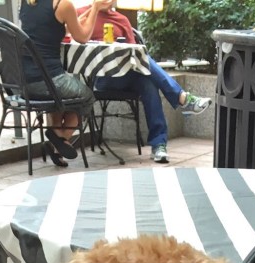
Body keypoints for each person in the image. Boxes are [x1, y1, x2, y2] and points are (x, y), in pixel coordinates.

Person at [76, 4, 212, 164]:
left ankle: (159, 145)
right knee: (147, 72)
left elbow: (137, 55)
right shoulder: (82, 14)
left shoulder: (121, 20)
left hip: (127, 76)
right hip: (103, 78)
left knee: (148, 82)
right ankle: (182, 99)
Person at [19, 0, 115, 166]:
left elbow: (50, 27)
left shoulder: (27, 2)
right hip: (49, 80)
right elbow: (83, 37)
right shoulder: (63, 5)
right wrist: (96, 8)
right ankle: (61, 139)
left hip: (23, 81)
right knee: (87, 96)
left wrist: (83, 14)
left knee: (59, 99)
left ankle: (58, 145)